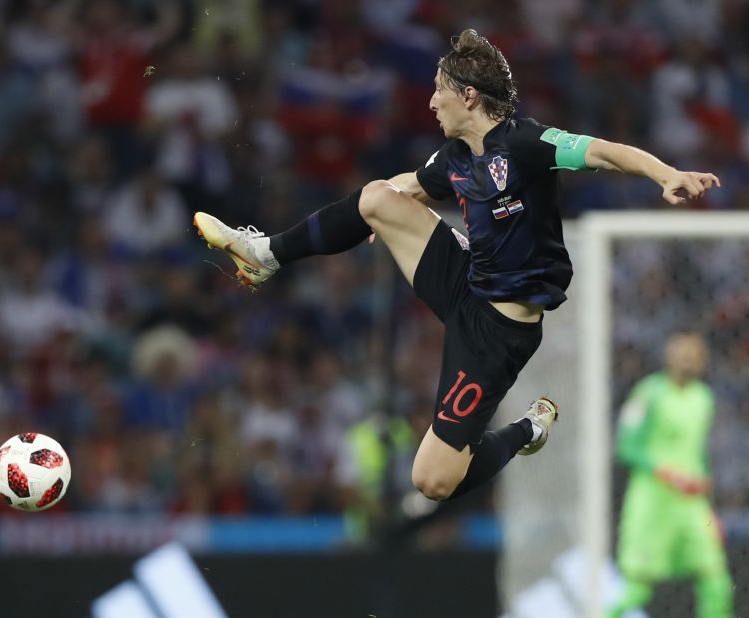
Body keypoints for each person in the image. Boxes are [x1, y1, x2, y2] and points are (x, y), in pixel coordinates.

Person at [193, 29, 721, 503]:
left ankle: (528, 431)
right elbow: (405, 189)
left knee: (433, 481)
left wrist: (665, 173)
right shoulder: (453, 159)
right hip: (463, 279)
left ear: (469, 96)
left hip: (497, 334)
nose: (429, 102)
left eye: (438, 91)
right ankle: (264, 255)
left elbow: (606, 152)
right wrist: (376, 216)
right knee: (377, 197)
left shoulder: (527, 143)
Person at [609, 333, 733, 618]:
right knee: (636, 590)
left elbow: (698, 452)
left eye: (694, 356)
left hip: (691, 504)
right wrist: (665, 471)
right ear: (669, 357)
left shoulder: (704, 398)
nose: (688, 361)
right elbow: (627, 446)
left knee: (716, 581)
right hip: (653, 501)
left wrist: (709, 504)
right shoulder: (649, 392)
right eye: (682, 355)